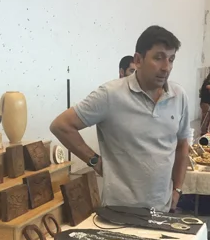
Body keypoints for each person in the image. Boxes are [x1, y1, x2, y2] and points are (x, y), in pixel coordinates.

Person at [49, 25, 191, 212]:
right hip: (120, 211)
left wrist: (177, 189)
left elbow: (182, 145)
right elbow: (61, 125)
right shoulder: (111, 95)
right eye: (158, 58)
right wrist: (94, 161)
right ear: (138, 60)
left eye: (171, 59)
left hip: (162, 209)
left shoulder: (178, 96)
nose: (166, 68)